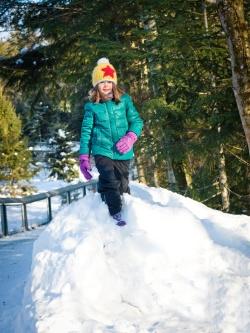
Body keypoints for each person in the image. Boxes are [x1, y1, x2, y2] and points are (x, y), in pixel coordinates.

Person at [79, 57, 143, 226]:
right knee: (110, 180)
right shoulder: (92, 107)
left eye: (109, 81)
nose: (106, 85)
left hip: (123, 151)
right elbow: (86, 133)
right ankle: (116, 214)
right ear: (96, 86)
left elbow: (137, 122)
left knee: (122, 184)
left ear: (114, 83)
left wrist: (130, 137)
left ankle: (105, 192)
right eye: (102, 82)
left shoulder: (125, 101)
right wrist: (84, 156)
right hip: (102, 150)